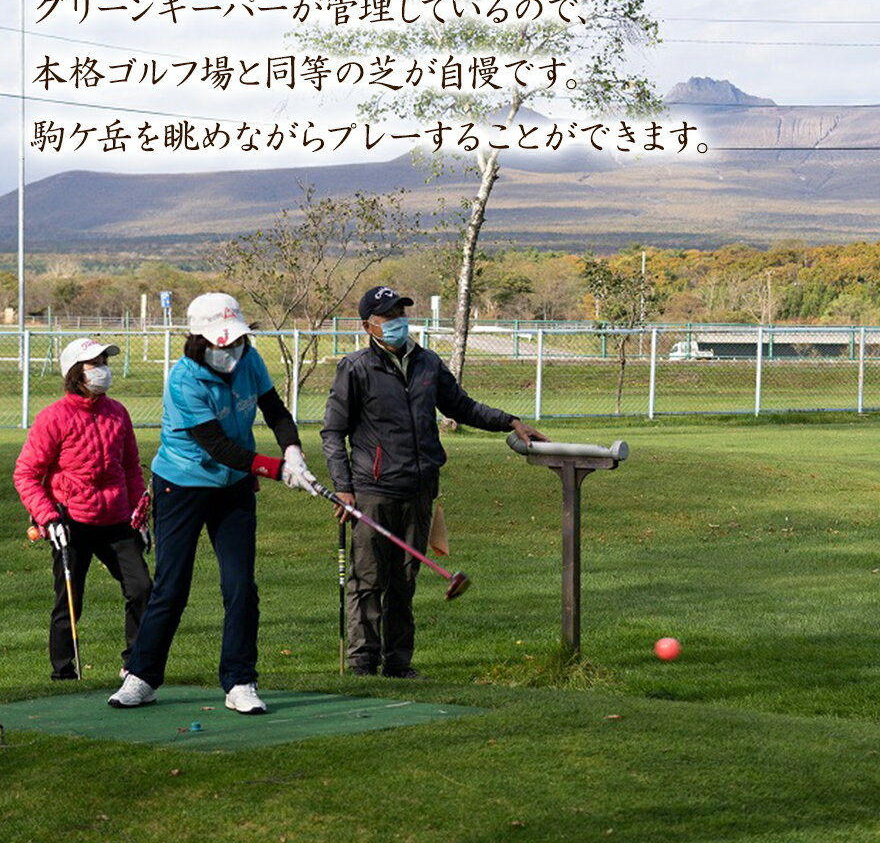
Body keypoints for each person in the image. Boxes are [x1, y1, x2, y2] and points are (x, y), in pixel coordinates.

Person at [108, 292, 320, 714]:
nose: (231, 350)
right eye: (221, 344)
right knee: (171, 585)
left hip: (234, 487)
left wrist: (292, 449)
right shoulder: (182, 379)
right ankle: (143, 677)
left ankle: (240, 680)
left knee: (240, 585)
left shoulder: (250, 360)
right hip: (181, 485)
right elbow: (217, 445)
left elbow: (275, 410)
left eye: (236, 341)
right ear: (199, 341)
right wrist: (275, 469)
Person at [321, 285, 545, 677]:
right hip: (372, 490)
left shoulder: (427, 363)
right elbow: (332, 431)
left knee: (404, 581)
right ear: (368, 326)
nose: (398, 323)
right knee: (368, 579)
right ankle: (362, 662)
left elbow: (462, 406)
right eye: (388, 317)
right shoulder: (355, 368)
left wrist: (509, 421)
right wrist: (343, 487)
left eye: (401, 314)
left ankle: (398, 663)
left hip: (420, 487)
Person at [14, 337, 151, 681]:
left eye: (105, 362)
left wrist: (140, 514)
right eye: (95, 364)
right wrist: (47, 516)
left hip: (118, 520)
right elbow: (27, 474)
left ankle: (134, 664)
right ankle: (63, 671)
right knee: (70, 600)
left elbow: (131, 468)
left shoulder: (118, 413)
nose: (103, 370)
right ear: (77, 373)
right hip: (71, 522)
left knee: (143, 589)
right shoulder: (53, 418)